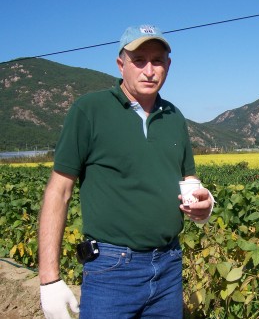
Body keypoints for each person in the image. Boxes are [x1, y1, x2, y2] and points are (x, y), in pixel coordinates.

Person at [38, 24, 214, 319]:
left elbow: (189, 181)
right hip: (112, 270)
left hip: (169, 266)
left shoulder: (174, 117)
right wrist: (49, 278)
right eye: (139, 60)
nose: (149, 70)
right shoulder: (89, 110)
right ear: (121, 64)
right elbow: (59, 191)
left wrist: (205, 205)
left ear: (168, 66)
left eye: (157, 61)